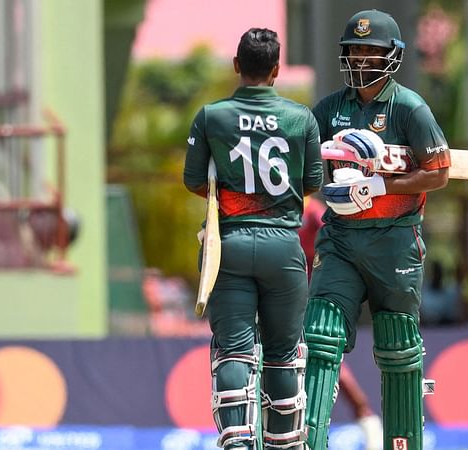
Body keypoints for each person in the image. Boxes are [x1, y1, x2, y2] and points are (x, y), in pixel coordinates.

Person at [302, 9, 450, 450]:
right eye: (355, 50)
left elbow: (439, 172)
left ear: (392, 56)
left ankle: (403, 443)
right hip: (342, 238)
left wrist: (381, 183)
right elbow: (306, 172)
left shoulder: (409, 108)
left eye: (371, 50)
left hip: (396, 239)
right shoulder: (329, 109)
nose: (362, 58)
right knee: (320, 336)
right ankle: (308, 441)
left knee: (398, 346)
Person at [182, 28, 323, 450]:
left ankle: (237, 443)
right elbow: (312, 181)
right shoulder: (302, 118)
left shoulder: (212, 117)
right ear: (277, 70)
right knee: (283, 353)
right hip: (283, 245)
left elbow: (193, 181)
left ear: (237, 66)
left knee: (234, 352)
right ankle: (284, 443)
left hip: (230, 245)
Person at [298, 196, 383, 450]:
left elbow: (334, 237)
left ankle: (366, 418)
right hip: (285, 292)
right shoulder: (278, 204)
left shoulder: (312, 211)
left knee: (327, 360)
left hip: (314, 294)